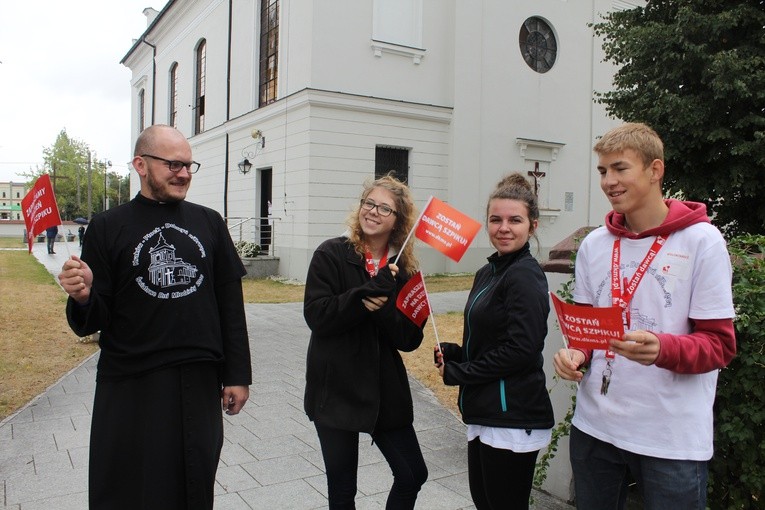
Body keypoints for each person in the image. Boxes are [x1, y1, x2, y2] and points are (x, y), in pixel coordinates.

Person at [57, 124, 252, 510]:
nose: (183, 173)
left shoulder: (209, 222)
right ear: (140, 165)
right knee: (128, 487)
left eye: (188, 165)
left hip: (198, 377)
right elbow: (93, 317)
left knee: (193, 486)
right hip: (132, 381)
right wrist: (82, 296)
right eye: (173, 164)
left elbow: (230, 304)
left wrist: (238, 375)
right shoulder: (108, 226)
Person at [552, 123, 736, 509]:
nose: (609, 181)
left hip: (669, 438)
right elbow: (587, 329)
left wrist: (662, 349)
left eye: (620, 168)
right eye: (603, 171)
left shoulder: (702, 242)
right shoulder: (595, 245)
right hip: (595, 428)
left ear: (655, 170)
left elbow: (719, 346)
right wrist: (577, 354)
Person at [303, 174, 428, 509]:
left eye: (384, 209)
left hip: (383, 390)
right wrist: (360, 297)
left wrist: (384, 309)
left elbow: (410, 338)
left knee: (412, 473)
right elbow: (316, 315)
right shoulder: (331, 253)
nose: (373, 212)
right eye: (369, 203)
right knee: (343, 489)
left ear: (398, 221)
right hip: (336, 387)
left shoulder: (405, 271)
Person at [434, 173, 554, 510]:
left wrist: (460, 373)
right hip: (485, 411)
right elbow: (490, 339)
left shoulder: (525, 274)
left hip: (512, 416)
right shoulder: (488, 272)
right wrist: (456, 354)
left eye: (515, 220)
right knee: (485, 503)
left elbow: (522, 350)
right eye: (495, 219)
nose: (504, 227)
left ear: (532, 225)